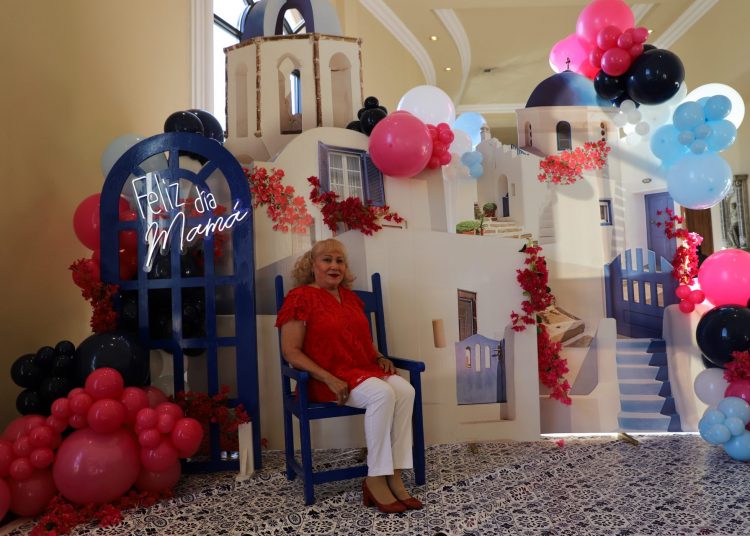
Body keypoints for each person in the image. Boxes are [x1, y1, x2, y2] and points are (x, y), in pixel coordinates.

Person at [275, 238, 422, 513]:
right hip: (325, 380)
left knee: (406, 391)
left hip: (362, 370)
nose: (334, 266)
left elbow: (363, 340)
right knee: (382, 394)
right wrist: (328, 378)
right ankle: (375, 477)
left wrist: (379, 356)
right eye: (327, 260)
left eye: (339, 261)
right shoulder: (300, 298)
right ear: (312, 265)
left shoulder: (351, 298)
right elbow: (290, 352)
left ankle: (395, 473)